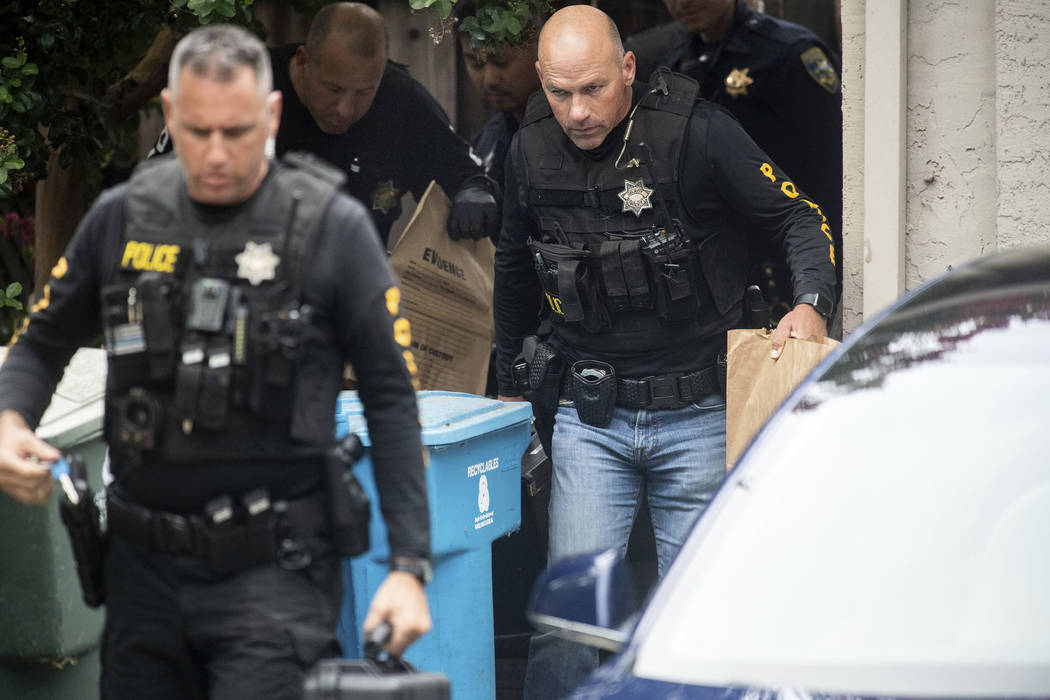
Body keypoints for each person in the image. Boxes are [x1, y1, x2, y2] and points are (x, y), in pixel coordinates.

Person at [0, 24, 433, 699]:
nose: (218, 154)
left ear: (272, 116)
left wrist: (409, 565)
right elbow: (41, 342)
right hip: (142, 571)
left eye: (238, 132)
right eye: (199, 132)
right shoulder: (122, 218)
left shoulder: (330, 228)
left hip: (272, 576)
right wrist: (9, 418)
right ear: (171, 114)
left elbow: (392, 398)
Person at [493, 5, 836, 697]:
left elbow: (798, 216)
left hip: (702, 410)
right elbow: (513, 267)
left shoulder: (696, 133)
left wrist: (810, 304)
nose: (578, 111)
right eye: (560, 93)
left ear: (627, 68)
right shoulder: (527, 150)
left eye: (593, 88)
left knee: (700, 613)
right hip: (592, 418)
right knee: (570, 621)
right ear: (539, 79)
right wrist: (507, 384)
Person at [151, 2, 498, 247]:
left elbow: (464, 173)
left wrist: (474, 193)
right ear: (303, 62)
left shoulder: (402, 101)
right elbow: (156, 183)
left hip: (353, 288)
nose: (345, 109)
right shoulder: (243, 89)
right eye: (333, 89)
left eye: (365, 92)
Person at [626, 0, 843, 321]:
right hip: (719, 272)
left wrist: (816, 280)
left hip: (785, 261)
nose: (683, 2)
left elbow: (832, 169)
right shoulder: (674, 61)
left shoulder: (789, 53)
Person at [454, 0, 542, 196]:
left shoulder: (580, 132)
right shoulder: (488, 143)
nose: (490, 79)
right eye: (476, 64)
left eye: (501, 61)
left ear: (538, 44)